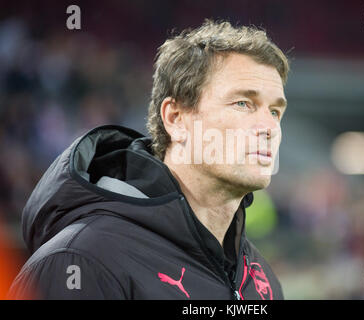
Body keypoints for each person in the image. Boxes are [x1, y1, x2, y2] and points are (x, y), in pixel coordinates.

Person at [8, 19, 289, 300]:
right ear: (175, 118)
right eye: (243, 103)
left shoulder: (262, 281)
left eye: (275, 111)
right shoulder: (82, 262)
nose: (269, 127)